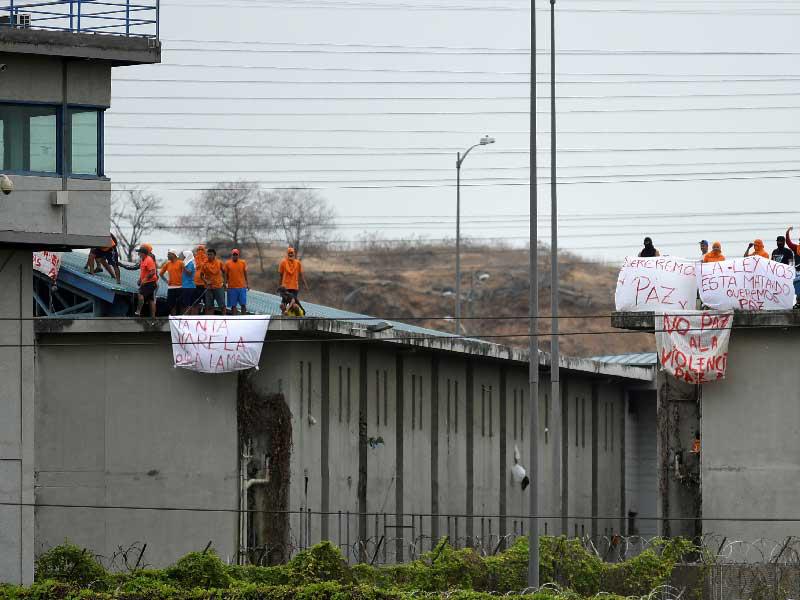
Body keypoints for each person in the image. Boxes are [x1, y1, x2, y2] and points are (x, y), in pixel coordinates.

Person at [159, 249, 184, 316]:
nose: (167, 255)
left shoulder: (181, 263)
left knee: (181, 304)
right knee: (171, 305)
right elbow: (161, 274)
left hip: (180, 287)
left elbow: (186, 274)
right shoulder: (167, 264)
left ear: (174, 255)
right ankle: (173, 318)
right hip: (171, 287)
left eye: (169, 254)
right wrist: (166, 281)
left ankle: (182, 318)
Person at [201, 248, 226, 315]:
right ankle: (210, 321)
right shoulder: (204, 264)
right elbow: (201, 276)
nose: (209, 256)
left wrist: (224, 282)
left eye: (211, 255)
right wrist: (206, 281)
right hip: (209, 288)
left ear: (214, 255)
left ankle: (225, 319)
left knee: (222, 305)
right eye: (208, 254)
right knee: (209, 306)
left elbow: (224, 272)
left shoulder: (219, 262)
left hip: (218, 286)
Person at [135, 245, 158, 317]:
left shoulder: (149, 260)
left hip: (149, 283)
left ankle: (138, 311)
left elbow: (152, 272)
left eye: (139, 252)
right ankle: (153, 317)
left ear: (143, 253)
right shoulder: (142, 260)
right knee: (150, 299)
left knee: (140, 294)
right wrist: (140, 279)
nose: (138, 254)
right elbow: (143, 271)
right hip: (148, 282)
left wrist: (145, 279)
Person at [224, 249, 249, 316]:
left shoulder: (243, 262)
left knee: (243, 304)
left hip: (241, 287)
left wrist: (247, 284)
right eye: (233, 255)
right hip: (231, 287)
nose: (235, 256)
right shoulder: (227, 263)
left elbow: (245, 273)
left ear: (238, 255)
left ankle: (244, 318)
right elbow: (225, 275)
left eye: (236, 255)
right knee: (233, 305)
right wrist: (225, 284)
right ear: (231, 255)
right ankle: (234, 319)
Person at [784, 228, 800, 307]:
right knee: (798, 288)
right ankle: (798, 303)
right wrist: (787, 233)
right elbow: (788, 243)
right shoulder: (796, 247)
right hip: (797, 271)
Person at [191, 245, 208, 315]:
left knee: (207, 304)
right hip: (195, 284)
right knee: (195, 303)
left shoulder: (207, 260)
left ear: (204, 251)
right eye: (199, 250)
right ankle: (194, 318)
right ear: (196, 251)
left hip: (205, 285)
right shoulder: (193, 260)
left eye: (202, 250)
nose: (200, 251)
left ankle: (207, 318)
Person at [180, 250, 196, 314]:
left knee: (188, 303)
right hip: (185, 285)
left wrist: (183, 267)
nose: (183, 257)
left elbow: (189, 273)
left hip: (189, 286)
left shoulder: (190, 263)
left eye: (184, 256)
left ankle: (188, 317)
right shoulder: (186, 263)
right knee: (185, 303)